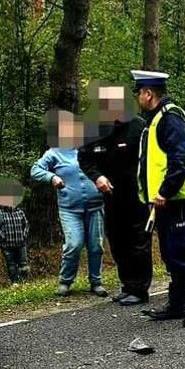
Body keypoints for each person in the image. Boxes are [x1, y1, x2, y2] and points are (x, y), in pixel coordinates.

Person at [132, 70, 185, 328]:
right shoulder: (156, 119)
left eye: (138, 93)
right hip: (163, 201)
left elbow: (181, 161)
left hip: (177, 198)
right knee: (170, 253)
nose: (137, 98)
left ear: (148, 93)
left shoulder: (171, 117)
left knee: (183, 250)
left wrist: (165, 191)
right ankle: (178, 302)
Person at [78, 84, 152, 306]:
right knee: (118, 241)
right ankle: (127, 285)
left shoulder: (138, 126)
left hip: (136, 195)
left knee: (138, 241)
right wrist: (97, 177)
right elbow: (84, 158)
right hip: (110, 195)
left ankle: (139, 289)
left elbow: (152, 158)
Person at [31, 109, 108, 297]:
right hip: (70, 208)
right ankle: (65, 281)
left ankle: (96, 282)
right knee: (74, 244)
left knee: (96, 245)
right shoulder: (54, 153)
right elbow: (35, 169)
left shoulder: (90, 147)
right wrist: (52, 178)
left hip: (95, 205)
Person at [0, 196, 30, 284]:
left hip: (20, 243)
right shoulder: (0, 214)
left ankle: (25, 281)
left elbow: (26, 224)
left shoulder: (20, 212)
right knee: (11, 265)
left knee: (24, 264)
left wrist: (24, 235)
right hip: (7, 245)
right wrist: (3, 237)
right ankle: (15, 282)